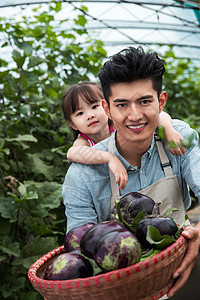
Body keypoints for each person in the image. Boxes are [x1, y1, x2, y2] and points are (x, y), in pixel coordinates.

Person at [62, 47, 200, 298]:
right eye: (122, 104)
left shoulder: (177, 138)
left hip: (183, 260)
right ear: (107, 108)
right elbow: (80, 249)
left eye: (145, 101)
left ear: (161, 102)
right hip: (122, 287)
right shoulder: (81, 175)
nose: (135, 115)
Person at [62, 81, 185, 190]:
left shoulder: (118, 125)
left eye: (94, 107)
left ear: (107, 107)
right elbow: (73, 153)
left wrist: (168, 130)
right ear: (73, 124)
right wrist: (109, 158)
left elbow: (160, 115)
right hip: (111, 186)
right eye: (80, 113)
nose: (90, 115)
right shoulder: (84, 141)